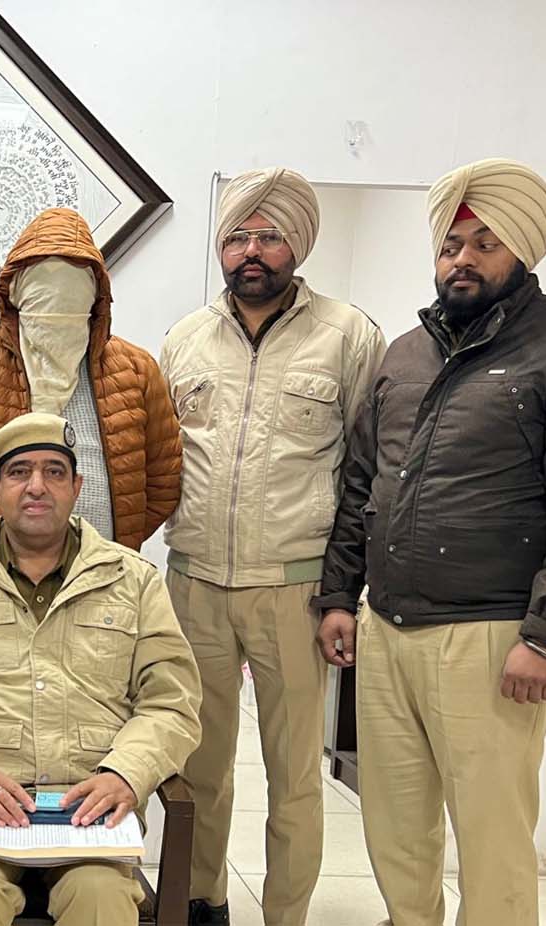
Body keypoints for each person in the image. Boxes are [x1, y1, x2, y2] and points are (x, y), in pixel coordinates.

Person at [314, 158, 546, 926]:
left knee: (493, 841)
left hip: (494, 640)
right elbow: (361, 485)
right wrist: (338, 596)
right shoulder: (405, 354)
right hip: (386, 630)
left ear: (522, 248)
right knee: (394, 830)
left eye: (484, 243)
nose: (461, 258)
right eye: (450, 245)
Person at [159, 168, 386, 926]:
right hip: (193, 586)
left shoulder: (349, 337)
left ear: (299, 245)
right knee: (198, 767)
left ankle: (285, 913)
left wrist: (342, 593)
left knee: (293, 777)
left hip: (296, 589)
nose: (251, 251)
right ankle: (203, 901)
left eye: (269, 236)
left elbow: (366, 476)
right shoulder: (185, 340)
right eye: (237, 238)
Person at [0, 413, 202, 926]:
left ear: (77, 488)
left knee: (100, 896)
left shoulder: (133, 581)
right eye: (19, 472)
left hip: (88, 814)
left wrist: (126, 773)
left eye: (54, 472)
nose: (36, 486)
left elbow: (171, 702)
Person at [0, 207, 181, 551]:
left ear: (94, 296)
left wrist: (113, 542)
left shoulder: (137, 370)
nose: (56, 305)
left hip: (101, 569)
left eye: (70, 290)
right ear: (16, 293)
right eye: (43, 288)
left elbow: (163, 481)